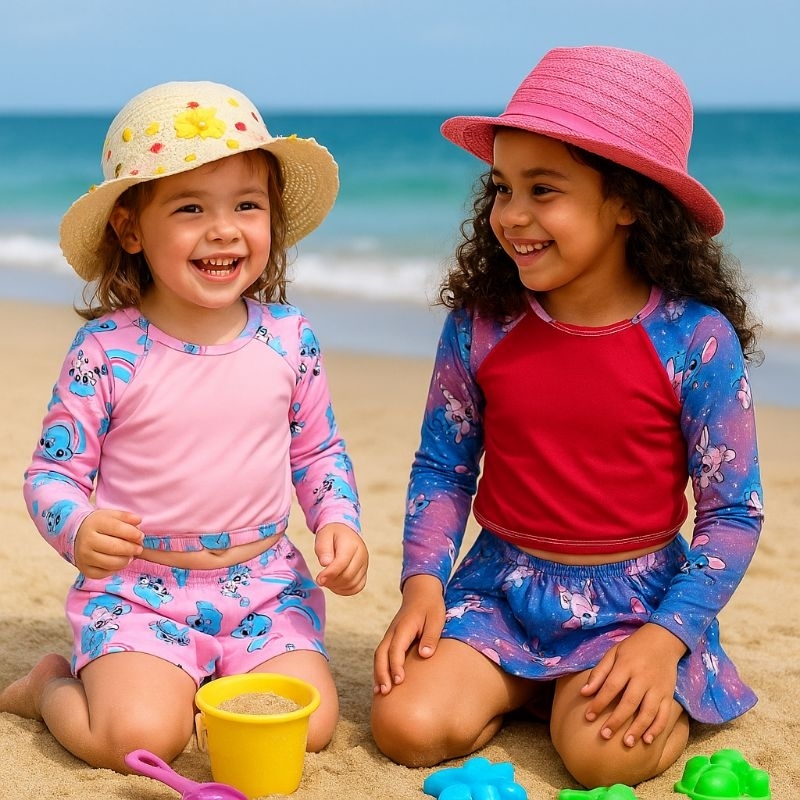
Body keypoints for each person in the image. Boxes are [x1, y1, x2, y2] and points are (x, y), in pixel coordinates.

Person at [371, 46, 763, 788]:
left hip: (634, 604)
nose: (511, 216)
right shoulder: (483, 325)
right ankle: (530, 685)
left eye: (542, 189)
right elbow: (442, 466)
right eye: (501, 188)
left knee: (598, 757)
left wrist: (663, 639)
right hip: (500, 590)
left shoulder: (693, 338)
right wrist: (424, 582)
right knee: (404, 727)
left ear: (628, 202)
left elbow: (733, 514)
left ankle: (593, 690)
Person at [0, 80, 368, 772]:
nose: (224, 228)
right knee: (135, 738)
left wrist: (337, 520)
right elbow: (53, 474)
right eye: (191, 207)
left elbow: (318, 450)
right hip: (140, 593)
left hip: (263, 587)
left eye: (247, 206)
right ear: (131, 229)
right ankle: (51, 685)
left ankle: (201, 679)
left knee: (312, 725)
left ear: (272, 221)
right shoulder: (106, 352)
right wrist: (77, 527)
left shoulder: (289, 339)